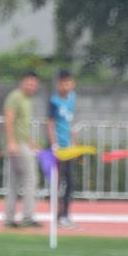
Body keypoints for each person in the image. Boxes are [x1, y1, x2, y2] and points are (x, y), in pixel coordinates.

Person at [3, 70, 40, 228]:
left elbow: (23, 124)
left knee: (15, 182)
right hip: (18, 145)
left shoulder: (27, 100)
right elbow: (9, 119)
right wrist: (11, 142)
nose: (31, 86)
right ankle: (27, 216)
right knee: (30, 179)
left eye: (33, 83)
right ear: (22, 82)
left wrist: (31, 141)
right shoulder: (15, 97)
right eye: (28, 82)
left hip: (24, 143)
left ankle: (9, 218)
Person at [47, 69, 78, 229]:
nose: (66, 86)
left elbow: (71, 121)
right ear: (59, 84)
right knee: (58, 182)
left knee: (71, 181)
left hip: (69, 147)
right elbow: (51, 123)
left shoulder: (72, 98)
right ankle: (58, 215)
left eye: (69, 83)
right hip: (58, 147)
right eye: (63, 83)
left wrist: (74, 142)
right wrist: (54, 144)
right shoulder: (54, 101)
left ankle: (66, 214)